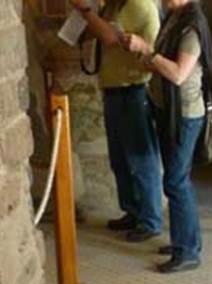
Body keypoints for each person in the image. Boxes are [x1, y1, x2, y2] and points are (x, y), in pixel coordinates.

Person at [125, 0, 212, 273]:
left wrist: (146, 50)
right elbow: (165, 65)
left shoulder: (191, 27)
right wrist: (147, 58)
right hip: (168, 111)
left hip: (185, 116)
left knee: (176, 182)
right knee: (177, 179)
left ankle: (187, 251)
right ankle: (186, 242)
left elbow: (178, 74)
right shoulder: (174, 18)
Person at [71, 0, 163, 243]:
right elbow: (98, 33)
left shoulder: (138, 4)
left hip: (133, 89)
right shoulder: (112, 5)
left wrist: (85, 10)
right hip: (115, 89)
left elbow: (111, 37)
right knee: (119, 158)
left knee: (141, 160)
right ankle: (132, 211)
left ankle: (150, 220)